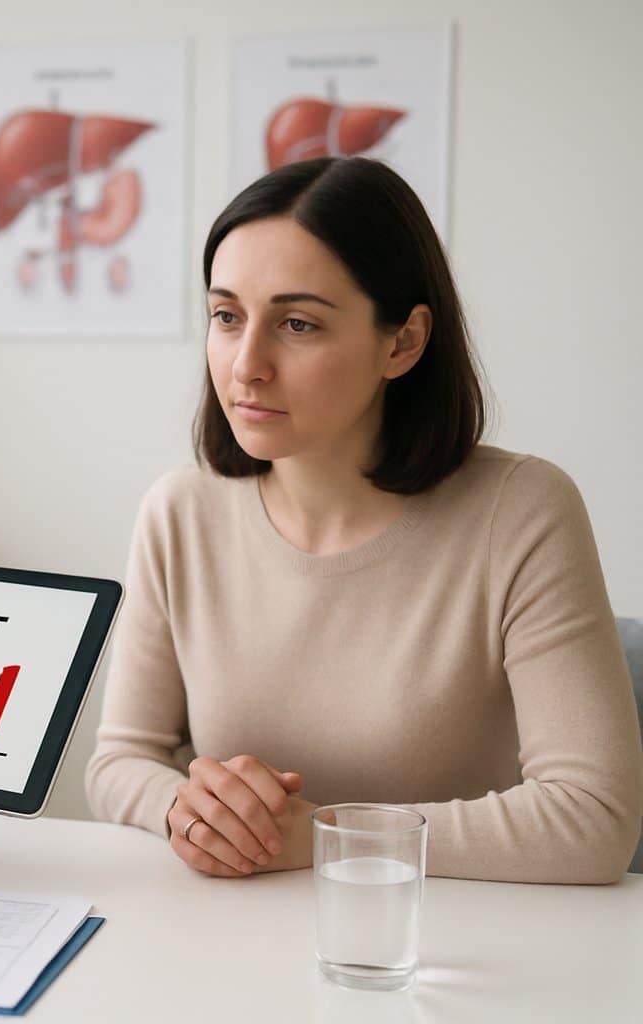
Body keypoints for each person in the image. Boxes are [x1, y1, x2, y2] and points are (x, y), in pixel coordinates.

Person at [85, 156, 642, 885]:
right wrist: (190, 809)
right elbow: (120, 761)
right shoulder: (179, 512)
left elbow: (593, 819)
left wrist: (324, 836)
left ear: (403, 342)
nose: (245, 364)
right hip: (230, 939)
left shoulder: (523, 510)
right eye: (226, 316)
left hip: (451, 952)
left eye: (297, 323)